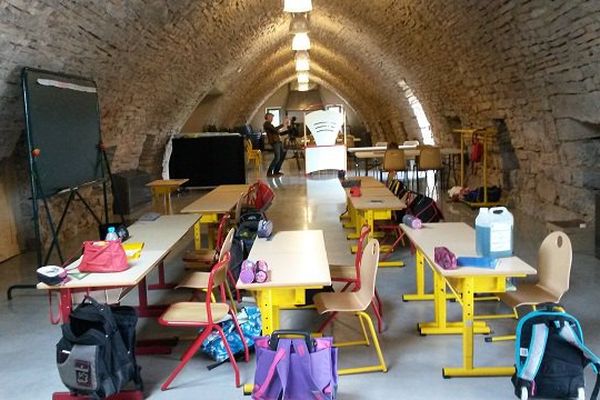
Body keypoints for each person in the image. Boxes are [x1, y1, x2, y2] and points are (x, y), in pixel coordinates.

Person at [264, 113, 289, 177]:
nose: (272, 118)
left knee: (281, 157)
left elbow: (277, 132)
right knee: (277, 157)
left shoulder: (270, 125)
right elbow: (275, 130)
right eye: (271, 117)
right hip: (275, 142)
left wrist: (287, 131)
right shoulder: (266, 124)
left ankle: (276, 171)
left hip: (278, 142)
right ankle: (269, 172)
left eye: (272, 117)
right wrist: (283, 124)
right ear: (267, 117)